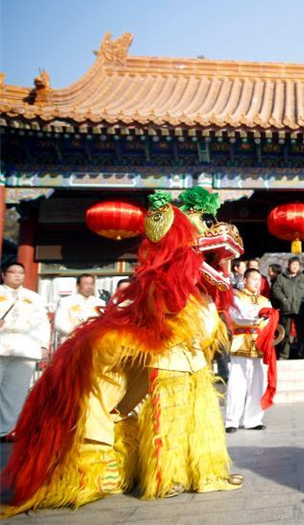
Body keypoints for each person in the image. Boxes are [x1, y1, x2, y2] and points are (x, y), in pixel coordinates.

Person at [2, 188, 244, 515]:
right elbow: (167, 303)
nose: (207, 228)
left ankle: (205, 473)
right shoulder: (164, 273)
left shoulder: (199, 284)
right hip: (169, 351)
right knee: (170, 414)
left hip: (194, 356)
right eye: (202, 221)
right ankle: (166, 477)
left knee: (202, 415)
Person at [0, 262, 50, 442]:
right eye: (12, 272)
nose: (17, 275)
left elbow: (43, 323)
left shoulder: (34, 297)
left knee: (15, 392)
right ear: (3, 274)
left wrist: (44, 345)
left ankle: (6, 431)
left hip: (25, 348)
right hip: (1, 345)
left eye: (20, 272)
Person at [225, 269, 278, 433]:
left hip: (260, 343)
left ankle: (253, 419)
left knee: (258, 382)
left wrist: (267, 319)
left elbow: (270, 320)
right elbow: (238, 317)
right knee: (237, 382)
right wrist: (258, 318)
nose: (256, 282)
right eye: (253, 279)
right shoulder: (237, 298)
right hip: (242, 341)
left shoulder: (265, 300)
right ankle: (231, 421)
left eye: (259, 280)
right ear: (245, 280)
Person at [271, 257, 304, 359]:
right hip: (286, 309)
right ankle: (283, 354)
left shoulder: (303, 277)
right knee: (284, 333)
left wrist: (303, 300)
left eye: (297, 265)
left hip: (300, 309)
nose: (295, 267)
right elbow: (275, 290)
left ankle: (303, 353)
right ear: (288, 265)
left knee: (302, 332)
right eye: (293, 265)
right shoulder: (281, 277)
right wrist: (283, 300)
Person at [54, 274, 105, 345]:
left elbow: (103, 323)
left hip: (94, 343)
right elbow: (59, 323)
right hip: (71, 342)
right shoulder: (66, 301)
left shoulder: (100, 303)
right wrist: (77, 332)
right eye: (86, 284)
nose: (89, 287)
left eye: (91, 284)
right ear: (78, 286)